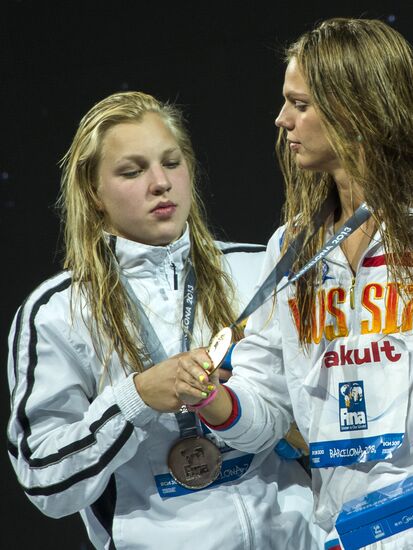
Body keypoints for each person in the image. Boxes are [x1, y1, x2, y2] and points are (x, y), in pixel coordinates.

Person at [7, 91, 323, 549]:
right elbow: (44, 481)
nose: (160, 183)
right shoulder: (58, 312)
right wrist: (134, 400)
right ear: (93, 192)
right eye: (132, 171)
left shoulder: (261, 272)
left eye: (171, 163)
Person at [174, 18, 413, 549]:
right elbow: (269, 407)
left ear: (357, 106)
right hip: (345, 531)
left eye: (300, 104)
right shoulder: (291, 248)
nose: (282, 119)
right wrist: (213, 397)